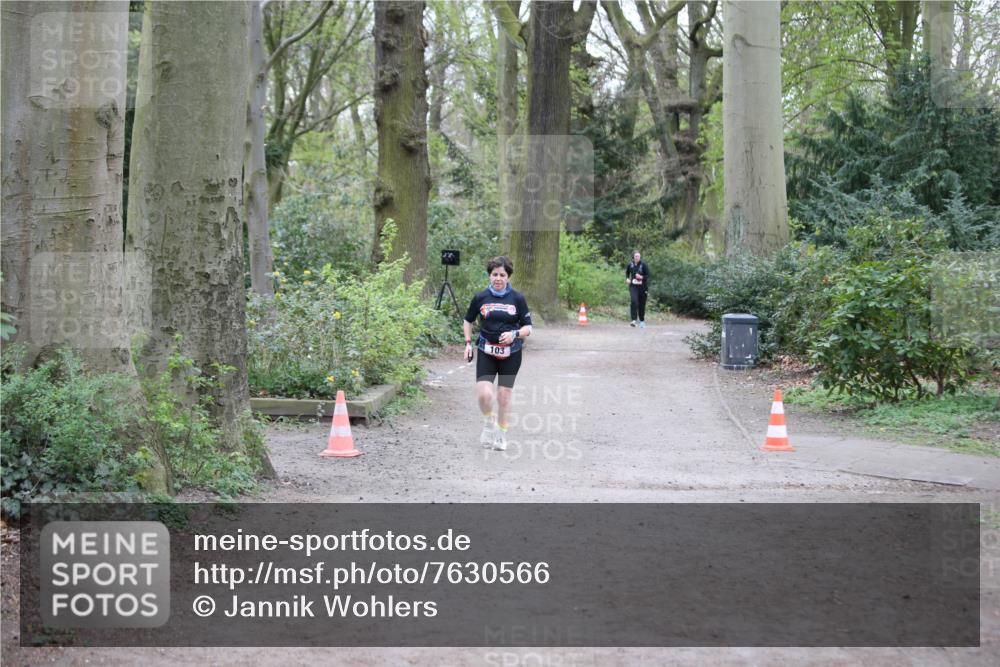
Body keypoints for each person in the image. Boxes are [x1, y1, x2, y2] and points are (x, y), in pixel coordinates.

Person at [463, 256, 532, 451]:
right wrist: (468, 344)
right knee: (484, 395)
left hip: (512, 353)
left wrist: (514, 334)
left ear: (508, 277)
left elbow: (528, 328)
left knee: (503, 396)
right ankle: (488, 423)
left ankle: (501, 434)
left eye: (502, 275)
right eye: (495, 274)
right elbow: (468, 321)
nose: (498, 279)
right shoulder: (480, 297)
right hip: (486, 351)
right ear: (489, 275)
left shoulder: (517, 298)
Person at [625, 250, 650, 328]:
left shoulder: (644, 265)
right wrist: (627, 279)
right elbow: (627, 272)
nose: (637, 257)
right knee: (634, 301)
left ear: (640, 257)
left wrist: (641, 277)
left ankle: (642, 320)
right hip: (633, 286)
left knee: (642, 304)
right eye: (636, 256)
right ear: (633, 257)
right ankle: (633, 320)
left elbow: (648, 275)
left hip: (643, 287)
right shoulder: (630, 264)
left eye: (638, 256)